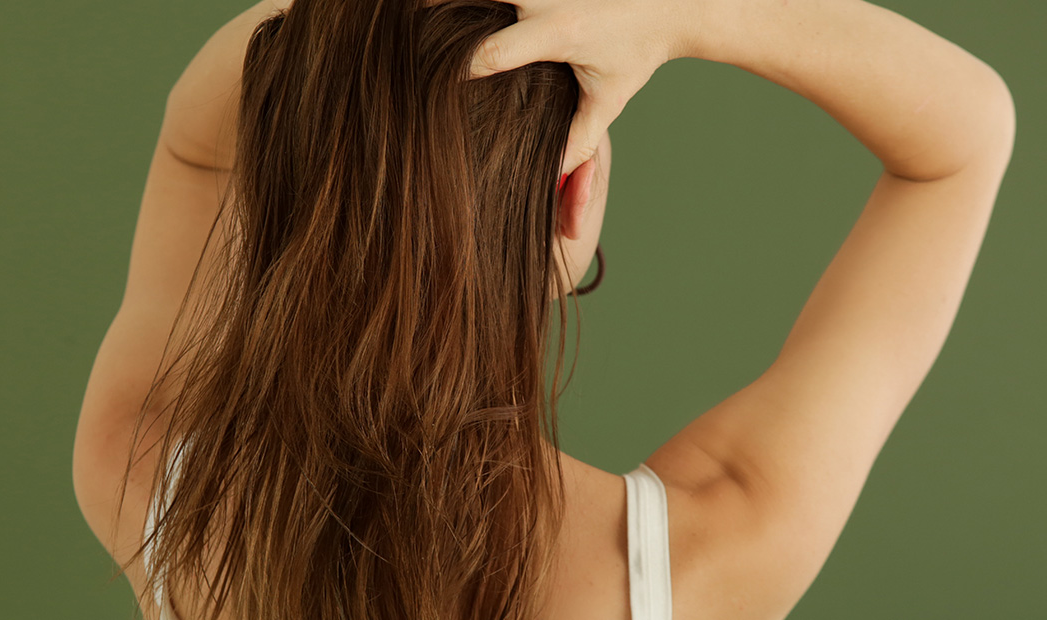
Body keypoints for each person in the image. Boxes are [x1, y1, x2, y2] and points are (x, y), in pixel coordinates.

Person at [71, 0, 1015, 618]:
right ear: (575, 192)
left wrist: (349, 42)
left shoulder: (153, 488)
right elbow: (966, 137)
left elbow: (196, 144)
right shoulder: (694, 559)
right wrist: (682, 15)